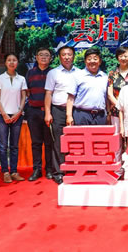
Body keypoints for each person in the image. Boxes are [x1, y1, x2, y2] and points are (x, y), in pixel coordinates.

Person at [44, 46, 79, 185]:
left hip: (76, 110)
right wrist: (48, 112)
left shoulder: (80, 73)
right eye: (63, 55)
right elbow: (48, 94)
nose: (66, 57)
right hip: (57, 110)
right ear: (59, 57)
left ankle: (74, 169)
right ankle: (58, 172)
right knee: (58, 141)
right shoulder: (53, 73)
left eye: (69, 54)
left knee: (75, 142)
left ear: (73, 56)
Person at [0, 53, 27, 183]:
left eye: (14, 60)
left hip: (17, 115)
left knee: (14, 145)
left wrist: (19, 112)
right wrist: (4, 114)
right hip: (1, 116)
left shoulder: (22, 79)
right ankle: (5, 171)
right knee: (2, 146)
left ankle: (14, 171)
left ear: (17, 62)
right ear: (5, 63)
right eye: (9, 60)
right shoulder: (0, 78)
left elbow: (24, 96)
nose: (12, 62)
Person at [25, 47, 54, 181]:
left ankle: (49, 169)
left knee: (49, 143)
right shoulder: (30, 73)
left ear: (50, 58)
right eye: (41, 55)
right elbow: (27, 92)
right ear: (36, 57)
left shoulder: (54, 73)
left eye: (46, 55)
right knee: (36, 142)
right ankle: (36, 169)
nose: (43, 57)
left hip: (49, 112)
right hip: (33, 112)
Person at [66, 48, 108, 126]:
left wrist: (108, 114)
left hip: (100, 116)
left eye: (95, 59)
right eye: (89, 59)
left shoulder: (105, 77)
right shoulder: (77, 75)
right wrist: (69, 116)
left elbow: (107, 99)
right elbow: (70, 98)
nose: (92, 61)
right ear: (85, 61)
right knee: (80, 138)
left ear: (100, 61)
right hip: (81, 114)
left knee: (99, 138)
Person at [107, 47, 128, 176]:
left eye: (126, 55)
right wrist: (119, 106)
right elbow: (110, 93)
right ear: (117, 57)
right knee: (117, 141)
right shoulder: (112, 74)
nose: (123, 58)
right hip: (116, 112)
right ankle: (118, 169)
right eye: (121, 55)